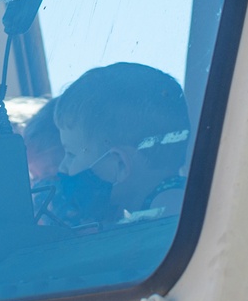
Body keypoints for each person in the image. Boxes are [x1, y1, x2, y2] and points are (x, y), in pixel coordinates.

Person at [52, 62, 192, 228]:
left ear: (119, 164)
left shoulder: (168, 207)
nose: (62, 167)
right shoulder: (143, 210)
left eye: (71, 155)